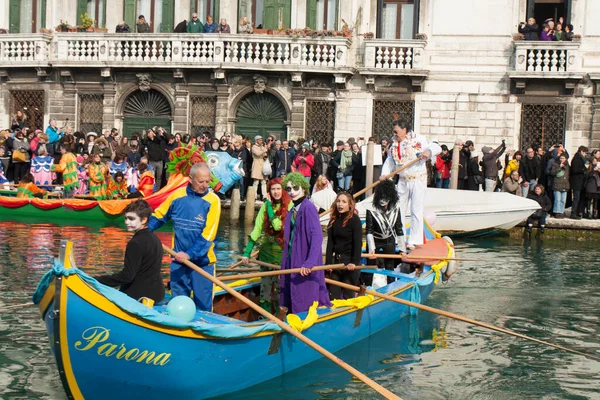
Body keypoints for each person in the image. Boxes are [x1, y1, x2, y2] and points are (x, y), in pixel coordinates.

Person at [149, 163, 221, 311]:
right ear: (190, 179)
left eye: (207, 181)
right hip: (178, 261)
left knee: (203, 309)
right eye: (201, 181)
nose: (205, 185)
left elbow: (207, 237)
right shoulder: (177, 196)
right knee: (178, 306)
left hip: (203, 264)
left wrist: (189, 254)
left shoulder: (213, 200)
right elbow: (159, 216)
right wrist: (143, 228)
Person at [380, 119, 441, 250]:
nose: (394, 134)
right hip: (402, 180)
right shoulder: (394, 145)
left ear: (405, 130)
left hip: (418, 179)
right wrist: (384, 174)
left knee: (416, 210)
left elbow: (437, 147)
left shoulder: (419, 139)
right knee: (397, 209)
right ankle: (398, 238)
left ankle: (414, 240)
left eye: (396, 132)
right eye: (394, 132)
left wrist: (428, 152)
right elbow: (390, 161)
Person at [280, 172, 331, 314]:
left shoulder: (308, 207)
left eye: (295, 188)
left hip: (304, 260)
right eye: (289, 189)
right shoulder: (292, 209)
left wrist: (309, 263)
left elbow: (317, 237)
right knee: (289, 293)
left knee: (303, 295)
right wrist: (284, 265)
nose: (292, 192)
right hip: (292, 259)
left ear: (303, 188)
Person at [96, 200, 165, 302]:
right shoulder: (156, 239)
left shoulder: (135, 243)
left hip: (140, 295)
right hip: (158, 294)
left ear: (143, 220)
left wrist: (98, 280)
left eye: (131, 219)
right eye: (126, 218)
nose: (126, 222)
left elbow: (127, 276)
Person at [241, 177, 292, 313]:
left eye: (278, 189)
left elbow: (277, 226)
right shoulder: (265, 206)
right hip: (265, 253)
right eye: (273, 189)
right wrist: (247, 252)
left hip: (282, 253)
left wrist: (269, 207)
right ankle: (265, 316)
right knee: (265, 288)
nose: (276, 192)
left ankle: (280, 315)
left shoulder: (289, 206)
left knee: (281, 288)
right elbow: (257, 230)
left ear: (283, 190)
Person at [365, 180, 404, 285]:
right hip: (375, 240)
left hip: (389, 240)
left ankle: (391, 287)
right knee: (370, 266)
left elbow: (399, 229)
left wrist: (402, 249)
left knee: (390, 267)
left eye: (385, 197)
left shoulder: (396, 209)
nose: (382, 201)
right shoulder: (371, 209)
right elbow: (369, 230)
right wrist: (371, 248)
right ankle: (368, 287)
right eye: (381, 197)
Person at [326, 192, 362, 300]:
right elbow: (330, 244)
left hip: (350, 263)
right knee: (333, 294)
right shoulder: (333, 220)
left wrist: (354, 263)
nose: (340, 204)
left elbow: (357, 244)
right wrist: (328, 264)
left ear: (349, 205)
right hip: (336, 263)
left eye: (343, 202)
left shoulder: (355, 220)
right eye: (338, 201)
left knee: (348, 295)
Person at [570, 146, 588, 220]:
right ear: (581, 151)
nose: (585, 155)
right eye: (585, 153)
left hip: (579, 182)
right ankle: (573, 213)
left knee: (579, 198)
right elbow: (575, 170)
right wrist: (584, 168)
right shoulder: (577, 159)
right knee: (576, 198)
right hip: (577, 182)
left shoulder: (579, 158)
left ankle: (577, 212)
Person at [551, 153, 570, 219]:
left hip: (565, 185)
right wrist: (559, 167)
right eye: (561, 158)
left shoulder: (567, 165)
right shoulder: (555, 164)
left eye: (563, 158)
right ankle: (556, 212)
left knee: (563, 200)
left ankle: (561, 212)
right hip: (557, 184)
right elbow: (552, 173)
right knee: (557, 200)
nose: (562, 160)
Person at [251, 135, 268, 200]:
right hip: (257, 165)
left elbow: (265, 154)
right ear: (257, 140)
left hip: (263, 165)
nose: (261, 141)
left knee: (263, 182)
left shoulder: (262, 147)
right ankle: (254, 196)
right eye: (260, 140)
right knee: (256, 182)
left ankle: (264, 196)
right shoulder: (254, 147)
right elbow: (257, 153)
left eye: (261, 140)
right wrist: (264, 151)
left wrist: (265, 156)